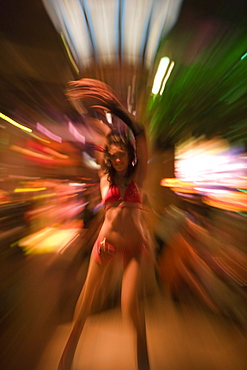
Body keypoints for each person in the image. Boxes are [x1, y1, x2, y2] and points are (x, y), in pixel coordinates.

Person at [58, 79, 153, 370]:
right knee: (85, 304)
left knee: (129, 308)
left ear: (129, 155)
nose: (117, 159)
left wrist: (117, 109)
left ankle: (143, 359)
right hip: (106, 245)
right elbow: (101, 135)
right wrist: (87, 111)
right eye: (112, 156)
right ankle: (67, 356)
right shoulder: (105, 177)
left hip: (134, 248)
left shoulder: (138, 178)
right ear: (108, 159)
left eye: (121, 154)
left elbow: (140, 133)